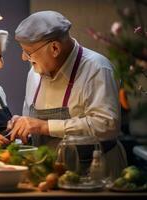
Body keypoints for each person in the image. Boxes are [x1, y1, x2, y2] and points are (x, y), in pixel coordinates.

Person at [8, 10, 127, 178]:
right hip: (51, 175)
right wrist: (22, 125)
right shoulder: (34, 74)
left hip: (96, 174)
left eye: (28, 52)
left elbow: (107, 125)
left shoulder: (97, 68)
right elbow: (32, 123)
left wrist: (43, 126)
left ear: (55, 48)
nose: (23, 58)